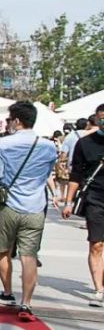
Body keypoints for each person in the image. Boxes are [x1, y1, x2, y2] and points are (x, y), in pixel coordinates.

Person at [0, 101, 58, 321]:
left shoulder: (4, 144)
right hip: (35, 206)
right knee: (29, 256)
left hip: (8, 205)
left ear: (17, 120)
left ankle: (8, 293)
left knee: (3, 251)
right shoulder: (48, 146)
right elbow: (47, 174)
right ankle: (26, 304)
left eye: (9, 119)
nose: (8, 123)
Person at [62, 102, 104, 307]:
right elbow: (75, 175)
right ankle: (99, 289)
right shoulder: (85, 144)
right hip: (95, 198)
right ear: (96, 118)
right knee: (97, 244)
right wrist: (68, 202)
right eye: (102, 117)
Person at [51, 130, 71, 202]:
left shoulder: (59, 139)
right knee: (67, 180)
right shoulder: (69, 138)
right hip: (68, 161)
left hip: (62, 161)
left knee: (61, 180)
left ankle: (61, 195)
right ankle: (65, 196)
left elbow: (61, 151)